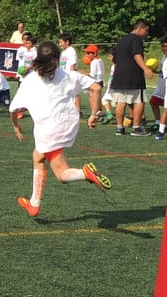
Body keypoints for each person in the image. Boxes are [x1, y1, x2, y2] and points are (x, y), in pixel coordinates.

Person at [8, 40, 109, 218]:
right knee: (38, 157)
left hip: (48, 129)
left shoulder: (30, 80)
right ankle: (34, 203)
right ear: (57, 59)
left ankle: (85, 173)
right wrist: (95, 113)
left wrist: (16, 128)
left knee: (62, 175)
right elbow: (96, 87)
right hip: (68, 124)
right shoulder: (70, 75)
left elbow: (13, 109)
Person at [108, 20, 156, 136]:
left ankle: (119, 128)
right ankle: (136, 127)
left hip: (119, 75)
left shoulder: (122, 40)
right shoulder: (136, 39)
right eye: (146, 30)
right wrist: (145, 69)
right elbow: (137, 55)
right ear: (140, 28)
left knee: (121, 101)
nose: (146, 33)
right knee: (139, 100)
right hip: (133, 75)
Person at [147, 37, 167, 129]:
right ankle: (157, 122)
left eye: (166, 46)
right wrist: (154, 71)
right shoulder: (164, 57)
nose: (164, 48)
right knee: (153, 102)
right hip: (161, 85)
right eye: (162, 46)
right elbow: (163, 72)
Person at [84, 43, 109, 122]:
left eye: (88, 53)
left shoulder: (94, 62)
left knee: (93, 99)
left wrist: (83, 74)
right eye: (86, 52)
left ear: (94, 53)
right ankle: (99, 114)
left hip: (95, 82)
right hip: (100, 81)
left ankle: (95, 114)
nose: (87, 55)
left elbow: (92, 75)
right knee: (98, 99)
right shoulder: (100, 60)